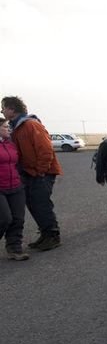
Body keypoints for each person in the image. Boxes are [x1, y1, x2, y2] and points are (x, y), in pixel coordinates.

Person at [1, 96, 62, 251]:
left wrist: (41, 171)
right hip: (30, 173)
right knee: (33, 204)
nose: (2, 110)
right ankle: (45, 234)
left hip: (42, 173)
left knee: (41, 203)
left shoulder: (30, 124)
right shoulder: (15, 127)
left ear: (12, 109)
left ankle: (52, 236)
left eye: (4, 107)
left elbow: (46, 149)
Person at [0, 118, 28, 261]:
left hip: (16, 186)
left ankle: (14, 248)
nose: (9, 129)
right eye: (5, 126)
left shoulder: (10, 144)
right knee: (4, 218)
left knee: (18, 219)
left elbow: (17, 164)